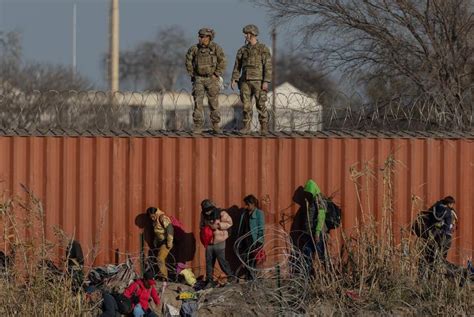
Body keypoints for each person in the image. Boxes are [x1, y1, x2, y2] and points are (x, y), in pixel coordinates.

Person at [231, 24, 272, 135]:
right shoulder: (242, 50)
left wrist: (266, 81)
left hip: (258, 81)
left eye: (247, 34)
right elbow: (237, 66)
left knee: (261, 104)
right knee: (246, 105)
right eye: (245, 34)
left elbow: (267, 66)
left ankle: (263, 127)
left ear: (253, 34)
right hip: (245, 81)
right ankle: (246, 127)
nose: (245, 36)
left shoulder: (263, 49)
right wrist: (234, 79)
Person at [185, 27, 226, 133]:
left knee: (213, 103)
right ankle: (198, 126)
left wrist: (217, 74)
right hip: (199, 79)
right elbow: (188, 60)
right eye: (200, 36)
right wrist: (192, 74)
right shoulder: (194, 49)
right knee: (198, 103)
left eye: (203, 37)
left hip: (211, 79)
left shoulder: (216, 48)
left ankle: (215, 125)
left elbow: (222, 61)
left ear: (209, 37)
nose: (200, 39)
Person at [200, 199, 234, 286]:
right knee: (209, 262)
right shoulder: (203, 215)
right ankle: (209, 280)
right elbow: (201, 225)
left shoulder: (221, 213)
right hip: (209, 242)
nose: (207, 213)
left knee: (222, 260)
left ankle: (231, 277)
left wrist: (218, 225)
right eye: (205, 211)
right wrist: (206, 229)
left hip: (220, 241)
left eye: (208, 210)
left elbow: (230, 222)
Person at [301, 179, 327, 275]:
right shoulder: (311, 201)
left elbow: (321, 217)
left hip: (317, 234)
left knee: (320, 255)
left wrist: (317, 232)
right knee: (307, 254)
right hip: (309, 233)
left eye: (309, 193)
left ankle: (323, 276)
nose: (307, 195)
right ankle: (307, 277)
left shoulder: (320, 201)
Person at [237, 194, 265, 280]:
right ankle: (249, 277)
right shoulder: (244, 214)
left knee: (253, 261)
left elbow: (261, 228)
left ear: (253, 204)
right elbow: (241, 227)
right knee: (246, 260)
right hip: (244, 241)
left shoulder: (259, 213)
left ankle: (253, 278)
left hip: (254, 241)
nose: (246, 206)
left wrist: (259, 241)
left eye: (247, 204)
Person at [423, 196, 456, 266]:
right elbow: (451, 223)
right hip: (445, 236)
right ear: (449, 204)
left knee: (432, 256)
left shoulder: (435, 208)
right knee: (441, 257)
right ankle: (437, 270)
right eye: (452, 204)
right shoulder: (448, 211)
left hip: (434, 235)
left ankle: (432, 270)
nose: (452, 206)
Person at [147, 207, 174, 281]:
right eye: (151, 217)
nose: (152, 218)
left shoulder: (162, 218)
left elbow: (170, 229)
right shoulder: (155, 221)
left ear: (155, 214)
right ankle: (161, 275)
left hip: (166, 242)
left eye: (153, 216)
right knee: (161, 259)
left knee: (160, 258)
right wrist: (155, 241)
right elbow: (157, 232)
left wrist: (169, 242)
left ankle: (164, 277)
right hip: (161, 242)